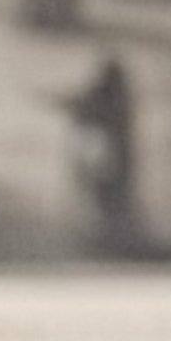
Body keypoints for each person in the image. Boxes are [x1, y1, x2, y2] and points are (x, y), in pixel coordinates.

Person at [66, 52, 140, 247]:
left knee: (109, 193)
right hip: (109, 151)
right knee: (109, 194)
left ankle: (111, 235)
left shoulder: (111, 95)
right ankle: (111, 234)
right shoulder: (112, 93)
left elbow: (86, 109)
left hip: (109, 151)